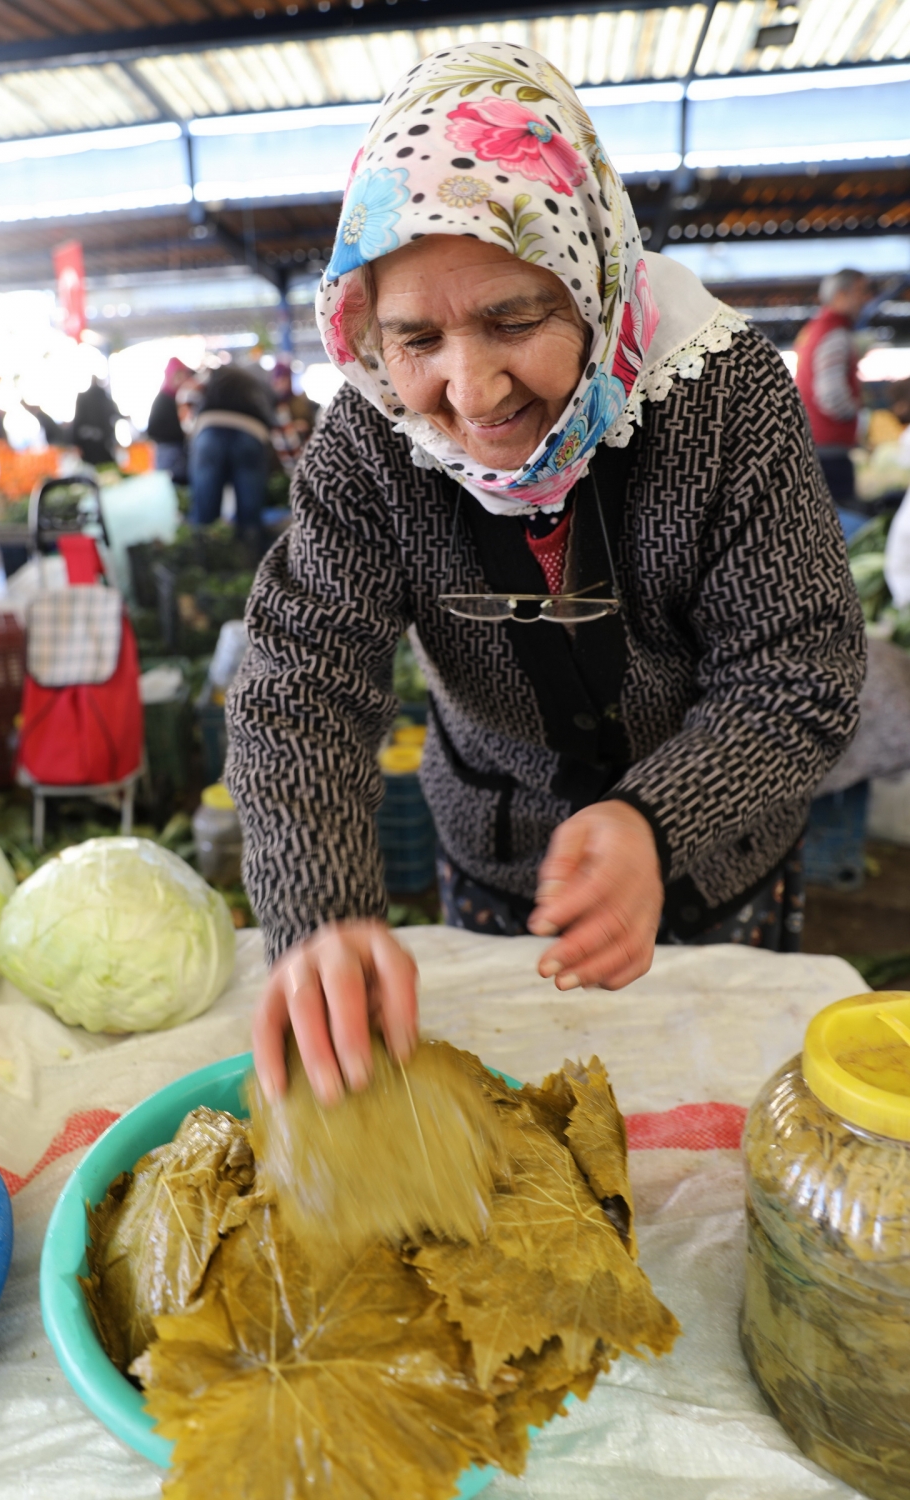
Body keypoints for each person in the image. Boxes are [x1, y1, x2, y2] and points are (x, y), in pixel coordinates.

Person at [225, 44, 866, 1106]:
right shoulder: (370, 438)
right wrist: (320, 914)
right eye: (414, 338)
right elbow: (299, 684)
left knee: (699, 1124)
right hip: (498, 866)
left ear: (592, 276)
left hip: (714, 862)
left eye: (516, 319)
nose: (469, 393)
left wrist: (655, 819)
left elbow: (798, 673)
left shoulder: (722, 393)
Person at [795, 269, 872, 540]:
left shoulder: (813, 330)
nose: (866, 298)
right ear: (841, 295)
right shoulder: (834, 334)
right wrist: (857, 414)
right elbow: (830, 394)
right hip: (829, 450)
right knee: (840, 531)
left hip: (815, 443)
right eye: (861, 291)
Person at [188, 361, 276, 558]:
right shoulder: (260, 381)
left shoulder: (217, 374)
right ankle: (252, 564)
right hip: (251, 430)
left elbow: (189, 394)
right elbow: (276, 417)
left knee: (204, 508)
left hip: (209, 428)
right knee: (250, 509)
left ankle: (202, 562)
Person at [23, 377, 121, 466]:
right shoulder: (94, 396)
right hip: (97, 444)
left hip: (92, 445)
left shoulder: (87, 397)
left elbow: (77, 422)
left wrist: (74, 441)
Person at [147, 357, 193, 483]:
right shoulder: (163, 399)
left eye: (182, 375)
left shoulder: (183, 397)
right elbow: (152, 430)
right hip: (168, 455)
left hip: (182, 455)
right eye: (177, 376)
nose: (180, 380)